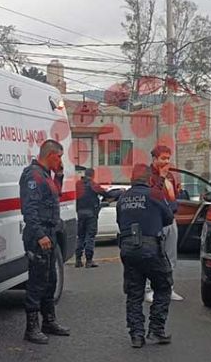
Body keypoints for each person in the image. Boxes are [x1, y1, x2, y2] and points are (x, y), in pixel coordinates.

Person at [18, 139, 71, 344]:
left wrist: (59, 176)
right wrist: (40, 235)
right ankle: (31, 328)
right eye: (59, 157)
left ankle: (49, 321)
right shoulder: (33, 175)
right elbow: (29, 210)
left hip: (50, 233)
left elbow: (52, 196)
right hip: (39, 236)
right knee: (37, 281)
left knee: (50, 280)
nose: (60, 161)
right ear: (50, 155)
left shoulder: (46, 176)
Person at [117, 164, 175, 348]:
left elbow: (120, 222)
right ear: (150, 179)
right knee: (163, 286)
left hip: (128, 248)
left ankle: (136, 335)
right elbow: (169, 217)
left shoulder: (122, 198)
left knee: (134, 293)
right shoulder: (155, 194)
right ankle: (156, 330)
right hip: (151, 248)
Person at [145, 145, 184, 302]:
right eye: (163, 158)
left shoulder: (171, 176)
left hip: (170, 219)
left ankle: (168, 288)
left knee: (170, 256)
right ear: (154, 159)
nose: (166, 161)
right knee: (154, 255)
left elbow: (172, 197)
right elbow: (153, 196)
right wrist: (161, 177)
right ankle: (149, 289)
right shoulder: (149, 176)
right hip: (154, 221)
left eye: (168, 158)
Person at [75, 168, 109, 268]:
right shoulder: (93, 184)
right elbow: (105, 193)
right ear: (93, 175)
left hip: (80, 214)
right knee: (90, 236)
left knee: (80, 236)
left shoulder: (78, 184)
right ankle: (89, 261)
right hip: (91, 215)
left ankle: (78, 260)